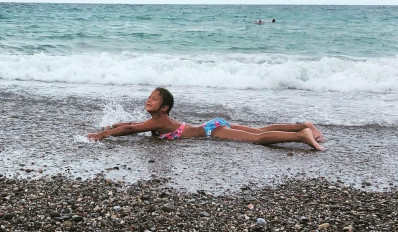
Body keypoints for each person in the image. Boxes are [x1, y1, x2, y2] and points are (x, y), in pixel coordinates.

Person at [88, 87, 326, 151]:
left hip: (213, 130)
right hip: (214, 124)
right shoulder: (157, 120)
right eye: (148, 97)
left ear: (164, 107)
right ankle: (304, 125)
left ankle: (301, 136)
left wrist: (102, 134)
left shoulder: (159, 121)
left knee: (257, 138)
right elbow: (133, 125)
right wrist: (114, 125)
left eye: (154, 99)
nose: (148, 100)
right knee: (259, 130)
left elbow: (132, 129)